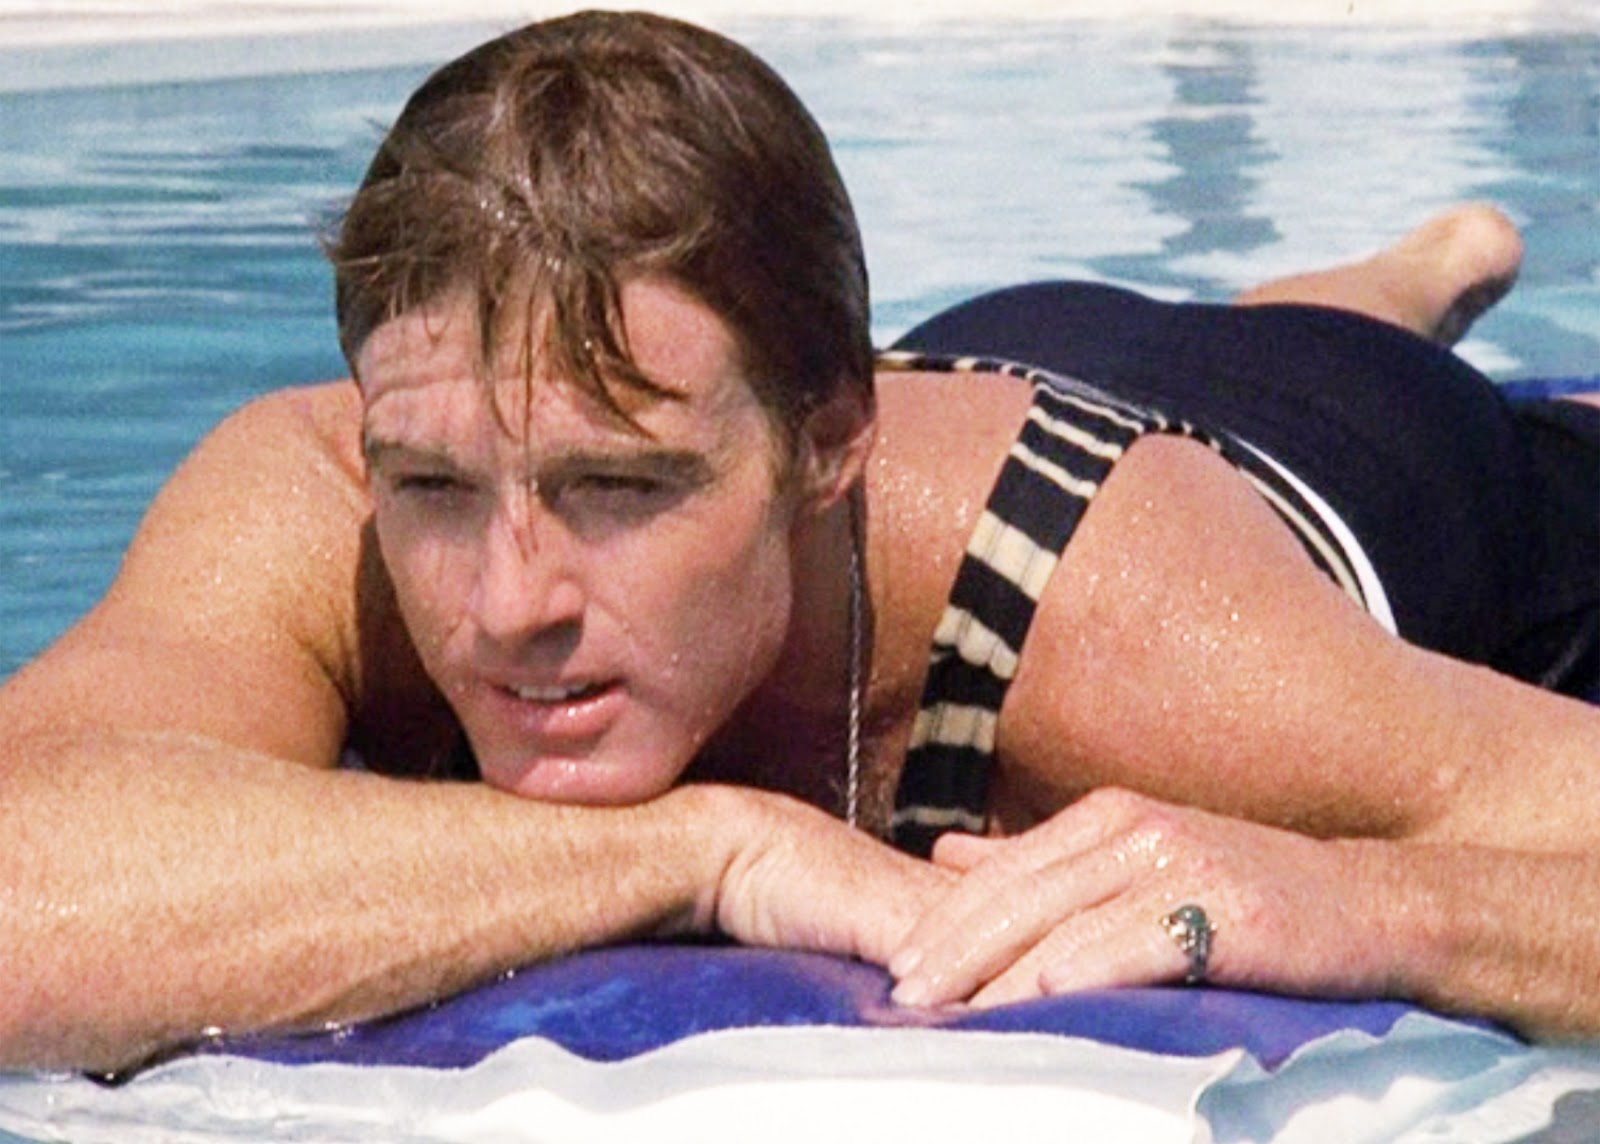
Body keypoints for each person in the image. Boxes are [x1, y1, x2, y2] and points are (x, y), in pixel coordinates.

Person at [1, 10, 1596, 1074]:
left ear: (829, 444)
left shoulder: (1130, 638)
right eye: (433, 488)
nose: (510, 602)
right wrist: (706, 847)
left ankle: (1419, 282)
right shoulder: (321, 493)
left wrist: (1359, 898)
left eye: (621, 489)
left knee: (1330, 353)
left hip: (1363, 450)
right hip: (986, 346)